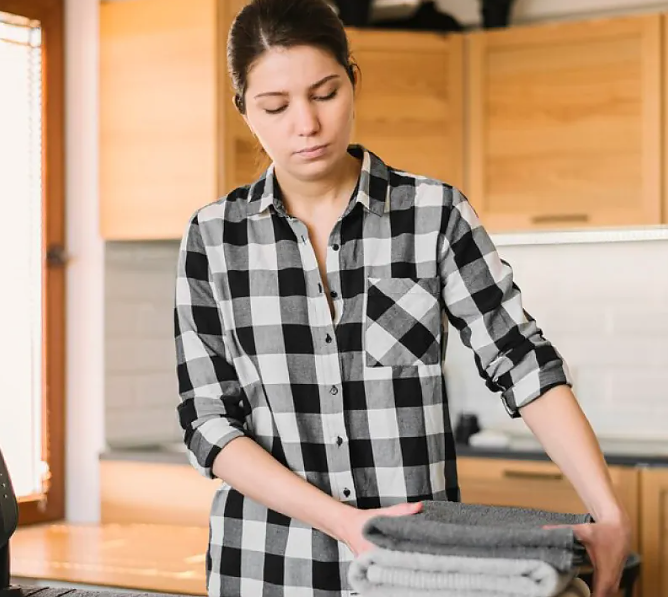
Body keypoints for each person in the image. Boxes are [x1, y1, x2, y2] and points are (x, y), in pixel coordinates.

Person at [172, 0, 631, 595]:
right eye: (276, 107)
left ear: (354, 81)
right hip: (266, 570)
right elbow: (207, 422)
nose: (306, 124)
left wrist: (610, 512)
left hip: (417, 573)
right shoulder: (213, 236)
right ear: (245, 111)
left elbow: (520, 359)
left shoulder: (433, 215)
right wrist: (346, 524)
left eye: (325, 93)